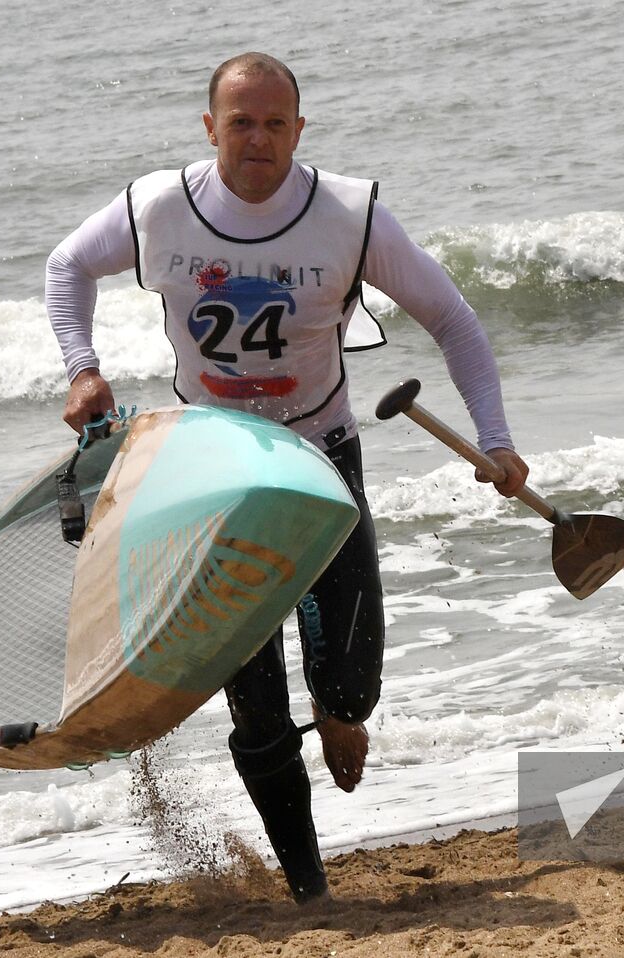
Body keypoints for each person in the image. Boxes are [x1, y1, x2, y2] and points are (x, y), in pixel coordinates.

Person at [45, 52, 529, 902]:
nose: (258, 138)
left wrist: (494, 435)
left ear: (299, 130)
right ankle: (309, 887)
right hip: (210, 468)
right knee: (256, 704)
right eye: (240, 122)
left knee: (352, 673)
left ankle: (343, 714)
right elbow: (66, 267)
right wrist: (83, 369)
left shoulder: (347, 212)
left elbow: (451, 317)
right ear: (210, 129)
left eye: (275, 123)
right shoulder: (160, 206)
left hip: (320, 458)